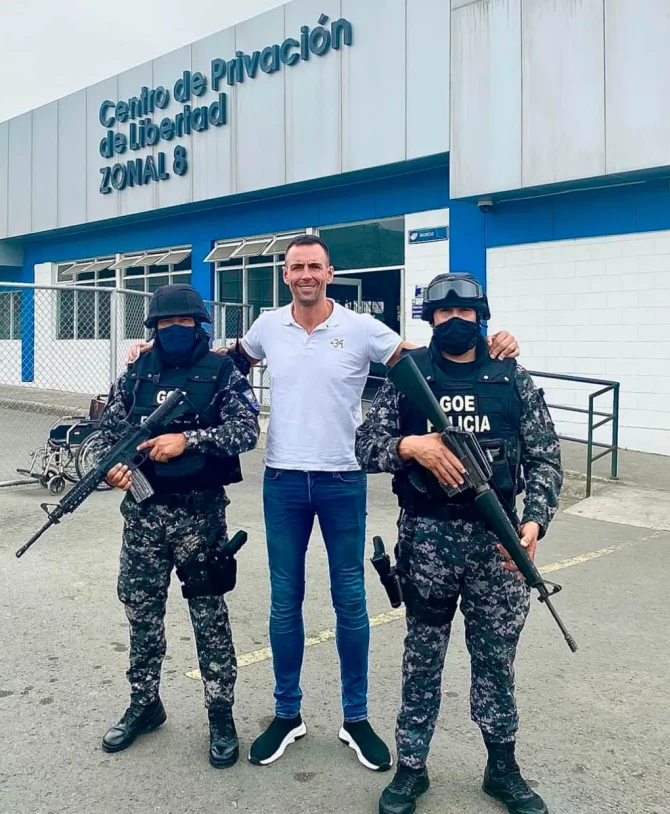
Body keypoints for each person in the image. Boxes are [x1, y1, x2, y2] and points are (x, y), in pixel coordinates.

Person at [125, 237, 519, 772]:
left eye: (314, 265)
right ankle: (287, 714)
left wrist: (495, 343)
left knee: (350, 600)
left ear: (330, 272)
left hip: (342, 481)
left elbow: (430, 360)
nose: (305, 274)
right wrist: (151, 350)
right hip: (284, 480)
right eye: (296, 267)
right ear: (285, 276)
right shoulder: (267, 326)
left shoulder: (361, 330)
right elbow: (214, 365)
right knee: (285, 600)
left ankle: (355, 718)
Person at [354, 273, 563, 814]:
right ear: (429, 320)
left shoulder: (512, 378)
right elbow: (363, 445)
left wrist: (535, 521)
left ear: (480, 318)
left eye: (464, 313)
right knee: (421, 660)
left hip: (498, 544)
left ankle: (502, 768)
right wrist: (411, 445)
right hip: (427, 539)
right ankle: (411, 768)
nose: (454, 322)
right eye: (443, 314)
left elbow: (544, 458)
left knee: (495, 660)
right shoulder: (408, 377)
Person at [94, 283, 260, 769]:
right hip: (144, 516)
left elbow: (246, 429)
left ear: (199, 326)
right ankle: (145, 702)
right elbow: (109, 429)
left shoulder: (222, 372)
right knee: (142, 612)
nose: (174, 331)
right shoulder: (135, 372)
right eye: (166, 325)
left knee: (208, 617)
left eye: (183, 324)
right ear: (154, 329)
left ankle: (220, 712)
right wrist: (112, 466)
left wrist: (186, 440)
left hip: (199, 516)